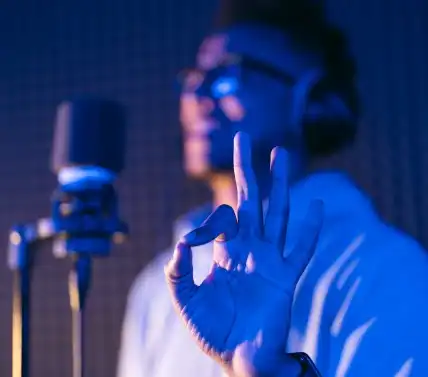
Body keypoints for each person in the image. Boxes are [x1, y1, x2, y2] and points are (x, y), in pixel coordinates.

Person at [118, 0, 428, 376]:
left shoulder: (384, 269)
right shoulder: (156, 288)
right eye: (193, 79)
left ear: (311, 100)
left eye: (230, 74)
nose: (198, 97)